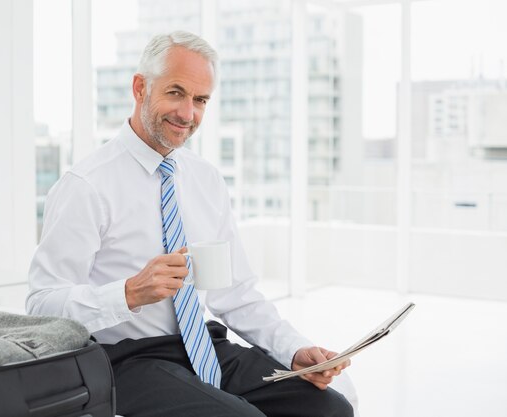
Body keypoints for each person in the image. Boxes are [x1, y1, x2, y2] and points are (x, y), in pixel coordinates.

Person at [27, 31, 354, 417]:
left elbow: (237, 294)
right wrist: (129, 293)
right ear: (140, 87)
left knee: (330, 409)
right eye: (176, 93)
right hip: (126, 359)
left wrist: (295, 350)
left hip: (202, 344)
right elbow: (41, 307)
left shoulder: (206, 179)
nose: (188, 114)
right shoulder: (86, 186)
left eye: (200, 100)